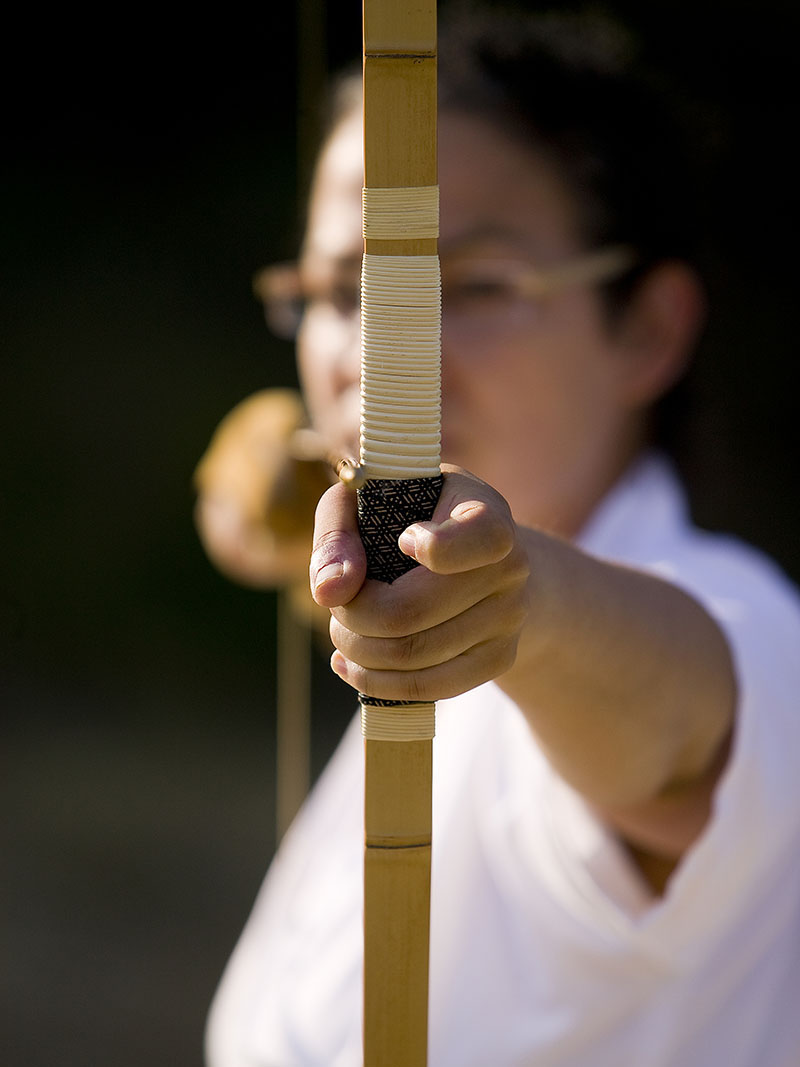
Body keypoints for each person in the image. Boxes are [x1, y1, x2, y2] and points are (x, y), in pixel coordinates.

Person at [197, 8, 800, 1066]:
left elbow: (679, 741)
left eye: (472, 285)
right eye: (342, 291)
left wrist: (523, 606)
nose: (384, 349)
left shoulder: (728, 614)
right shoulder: (403, 601)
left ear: (647, 328)